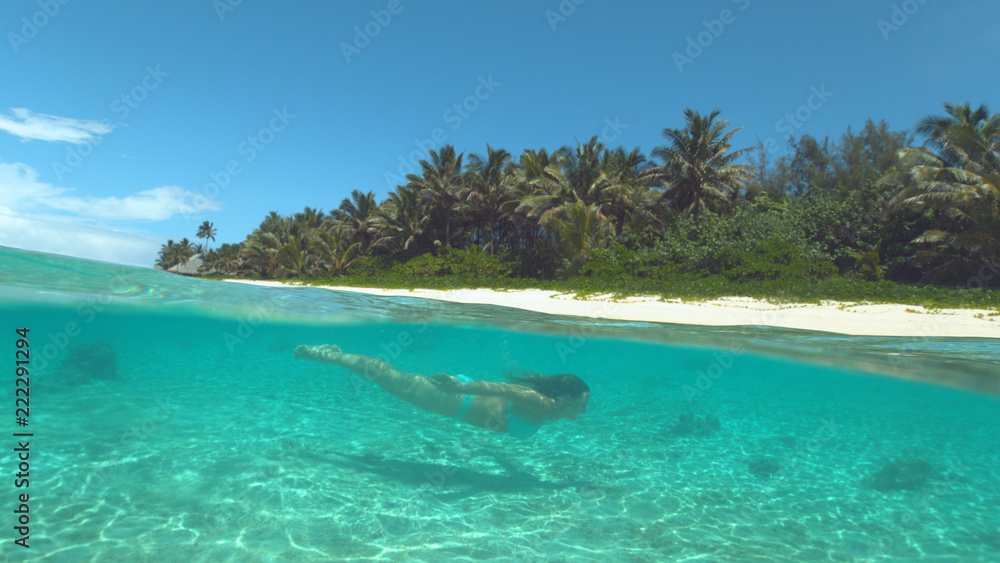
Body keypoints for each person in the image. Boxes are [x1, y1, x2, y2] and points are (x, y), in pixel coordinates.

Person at [293, 344, 589, 438]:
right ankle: (329, 355)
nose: (584, 410)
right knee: (385, 375)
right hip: (455, 399)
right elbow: (505, 388)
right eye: (582, 403)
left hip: (460, 397)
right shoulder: (544, 405)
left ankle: (334, 355)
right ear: (565, 398)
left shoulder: (550, 412)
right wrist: (459, 387)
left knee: (389, 378)